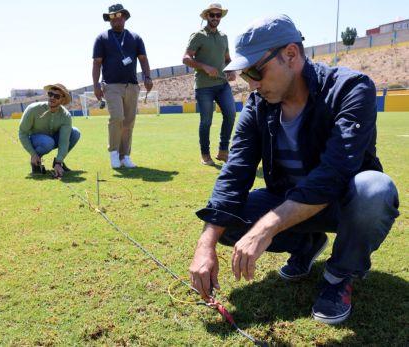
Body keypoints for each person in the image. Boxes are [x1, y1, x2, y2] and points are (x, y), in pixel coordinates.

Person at [189, 15, 399, 325]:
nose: (252, 84)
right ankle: (306, 244)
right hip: (288, 202)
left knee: (375, 191)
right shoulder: (257, 104)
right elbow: (234, 173)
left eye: (255, 71)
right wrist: (204, 245)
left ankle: (339, 274)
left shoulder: (352, 89)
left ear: (290, 54)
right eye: (245, 75)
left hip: (342, 204)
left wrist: (265, 229)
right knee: (225, 221)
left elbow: (334, 174)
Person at [92, 4, 153, 169]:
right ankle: (113, 153)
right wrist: (96, 85)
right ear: (109, 19)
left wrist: (147, 77)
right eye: (111, 16)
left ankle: (125, 156)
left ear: (124, 16)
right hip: (111, 86)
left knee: (129, 122)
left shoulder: (135, 38)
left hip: (132, 86)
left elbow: (143, 59)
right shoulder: (102, 38)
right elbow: (97, 63)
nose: (115, 18)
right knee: (117, 118)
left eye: (118, 15)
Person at [183, 3, 236, 166]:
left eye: (218, 15)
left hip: (222, 84)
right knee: (206, 121)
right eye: (212, 15)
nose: (215, 18)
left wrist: (231, 70)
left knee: (231, 114)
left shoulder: (224, 37)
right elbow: (185, 58)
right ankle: (205, 155)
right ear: (206, 16)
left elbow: (227, 59)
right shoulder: (198, 35)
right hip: (204, 86)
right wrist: (204, 67)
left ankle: (223, 151)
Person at [18, 84, 81, 178]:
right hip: (36, 140)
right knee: (48, 142)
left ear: (62, 100)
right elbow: (22, 132)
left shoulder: (66, 116)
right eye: (50, 94)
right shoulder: (33, 109)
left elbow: (64, 141)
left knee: (75, 133)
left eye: (56, 96)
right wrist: (33, 153)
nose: (52, 98)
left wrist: (59, 161)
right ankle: (35, 162)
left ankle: (58, 164)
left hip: (51, 139)